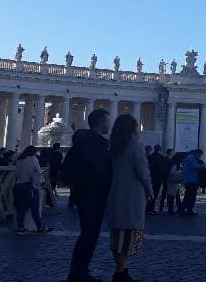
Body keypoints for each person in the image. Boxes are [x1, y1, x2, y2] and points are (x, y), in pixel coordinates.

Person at [64, 109, 112, 282]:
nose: (109, 125)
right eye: (107, 121)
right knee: (89, 235)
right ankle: (78, 273)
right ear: (100, 123)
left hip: (82, 193)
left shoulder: (81, 142)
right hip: (93, 195)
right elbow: (100, 171)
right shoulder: (96, 144)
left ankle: (79, 272)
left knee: (87, 234)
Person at [105, 114, 152, 282]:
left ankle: (120, 270)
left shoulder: (113, 147)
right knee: (128, 234)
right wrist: (150, 191)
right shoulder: (135, 147)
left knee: (117, 234)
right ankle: (121, 272)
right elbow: (143, 173)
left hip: (116, 194)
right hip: (132, 195)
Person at [13, 145, 53, 234]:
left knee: (21, 208)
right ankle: (40, 226)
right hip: (29, 185)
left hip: (18, 185)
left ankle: (20, 227)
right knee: (35, 207)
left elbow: (16, 173)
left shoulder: (19, 160)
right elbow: (38, 172)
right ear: (34, 152)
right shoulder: (33, 160)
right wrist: (39, 183)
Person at [180, 149, 204, 216]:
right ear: (197, 153)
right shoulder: (191, 158)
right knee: (190, 195)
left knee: (189, 195)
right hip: (191, 180)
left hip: (190, 180)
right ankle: (187, 209)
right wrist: (203, 165)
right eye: (200, 155)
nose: (200, 157)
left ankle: (187, 208)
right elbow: (195, 166)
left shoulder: (190, 158)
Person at [145, 144, 167, 215]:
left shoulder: (151, 156)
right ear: (159, 150)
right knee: (155, 194)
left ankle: (148, 208)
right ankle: (151, 208)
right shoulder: (161, 157)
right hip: (158, 178)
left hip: (152, 177)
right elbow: (163, 168)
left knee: (150, 194)